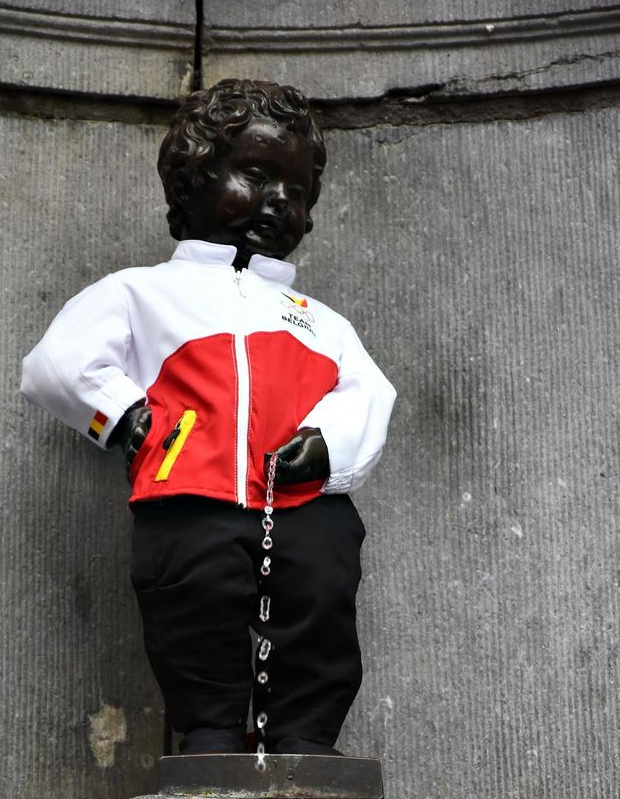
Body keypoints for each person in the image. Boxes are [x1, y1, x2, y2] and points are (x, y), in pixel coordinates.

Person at [21, 78, 396, 757]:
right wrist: (126, 417)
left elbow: (367, 393)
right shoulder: (142, 292)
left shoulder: (319, 322)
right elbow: (57, 361)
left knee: (319, 605)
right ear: (193, 177)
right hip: (188, 492)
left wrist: (327, 445)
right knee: (191, 606)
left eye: (296, 190)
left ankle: (305, 736)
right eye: (255, 174)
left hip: (303, 501)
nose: (277, 201)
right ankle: (213, 729)